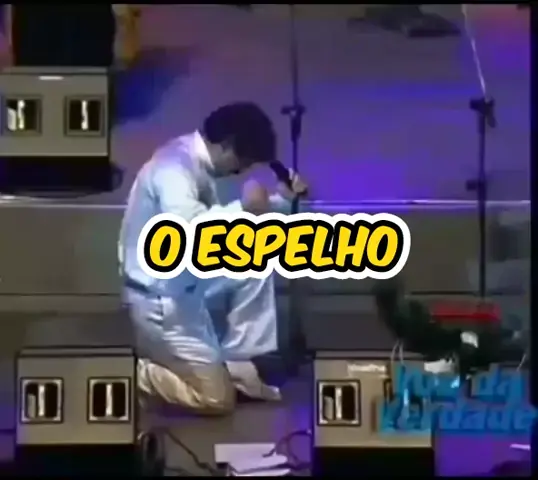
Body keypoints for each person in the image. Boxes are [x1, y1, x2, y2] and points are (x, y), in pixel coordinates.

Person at [119, 102, 308, 415]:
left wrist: (283, 202)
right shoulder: (173, 169)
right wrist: (245, 209)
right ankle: (134, 375)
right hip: (160, 299)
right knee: (216, 400)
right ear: (228, 145)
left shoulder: (194, 160)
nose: (242, 171)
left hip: (185, 280)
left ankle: (236, 363)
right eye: (244, 162)